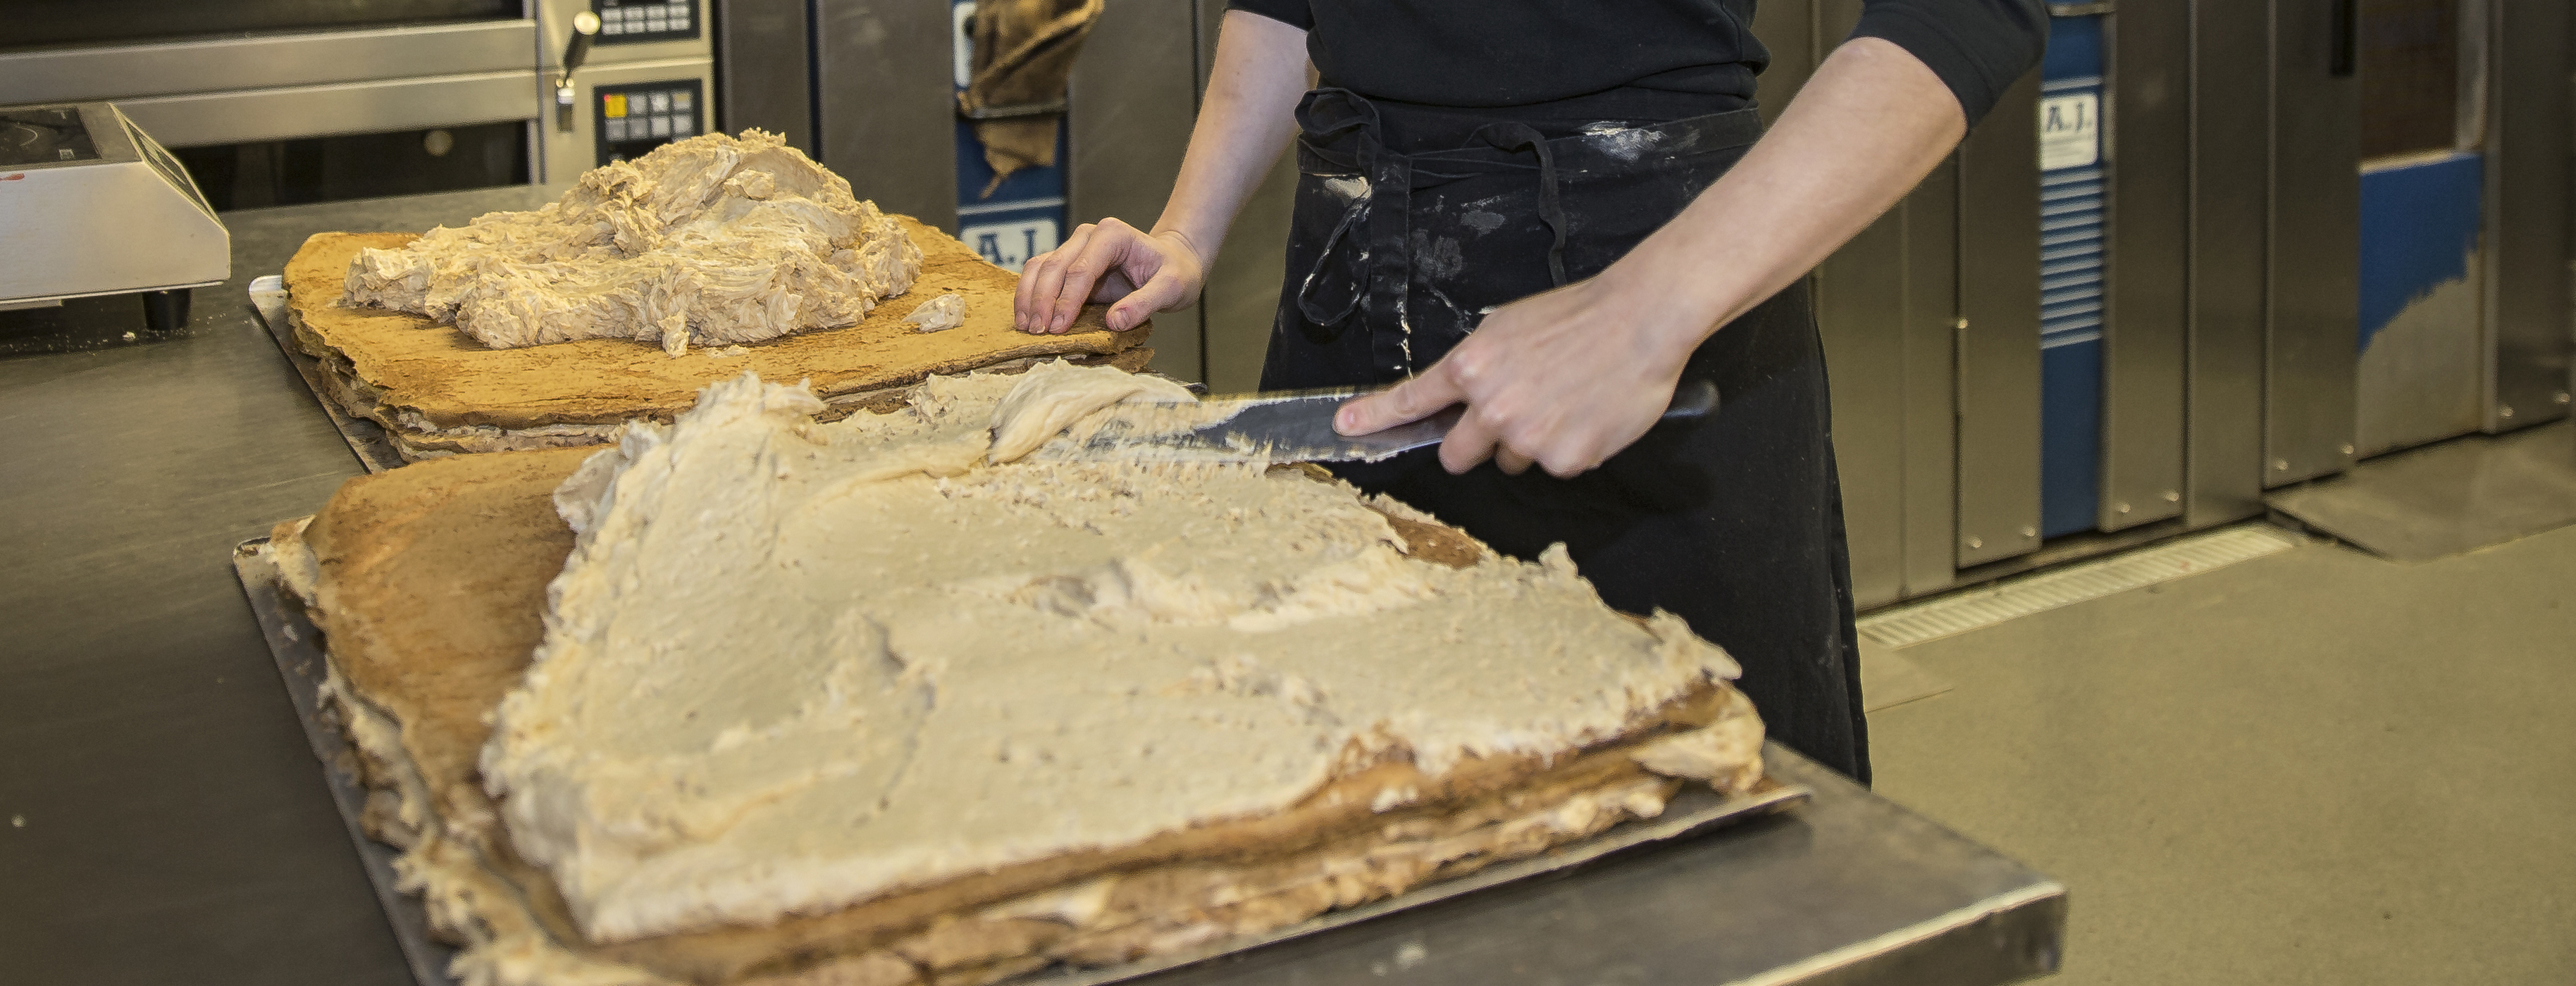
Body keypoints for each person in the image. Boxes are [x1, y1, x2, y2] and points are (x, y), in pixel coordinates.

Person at [1010, 1, 2046, 783]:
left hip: (1647, 298)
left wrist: (1647, 311)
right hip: (1355, 293)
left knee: (1688, 811)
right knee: (1360, 783)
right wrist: (1187, 230)